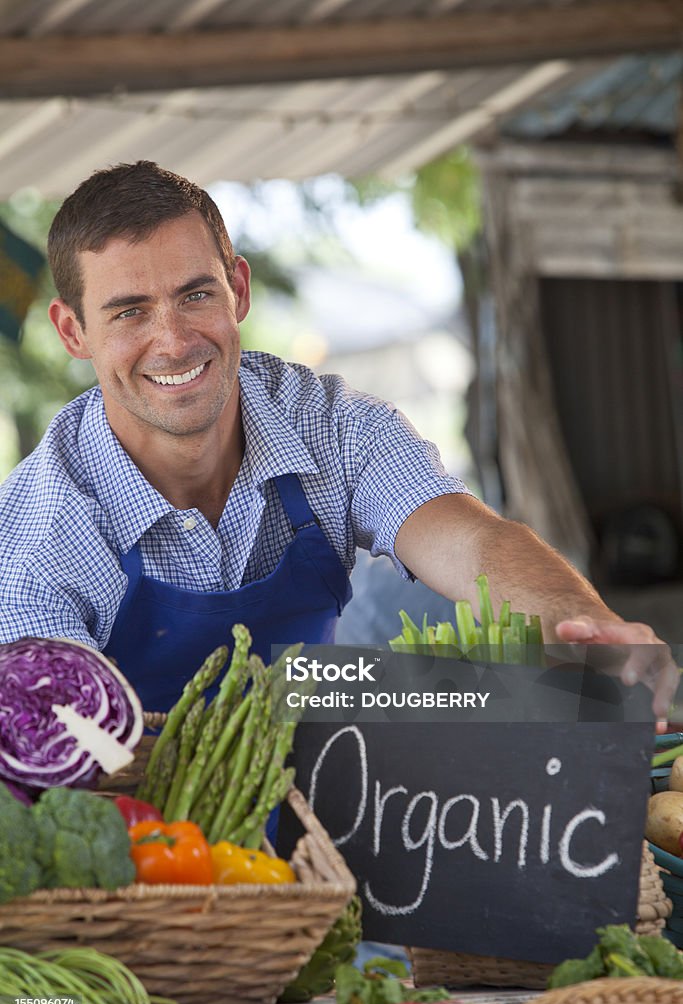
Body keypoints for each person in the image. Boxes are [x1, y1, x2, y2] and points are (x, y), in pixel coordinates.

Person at [0, 161, 678, 725]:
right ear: (72, 333)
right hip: (149, 841)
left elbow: (473, 542)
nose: (173, 340)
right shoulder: (38, 538)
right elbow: (61, 744)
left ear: (237, 289)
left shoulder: (333, 426)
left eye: (195, 295)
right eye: (129, 312)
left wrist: (588, 628)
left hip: (337, 792)